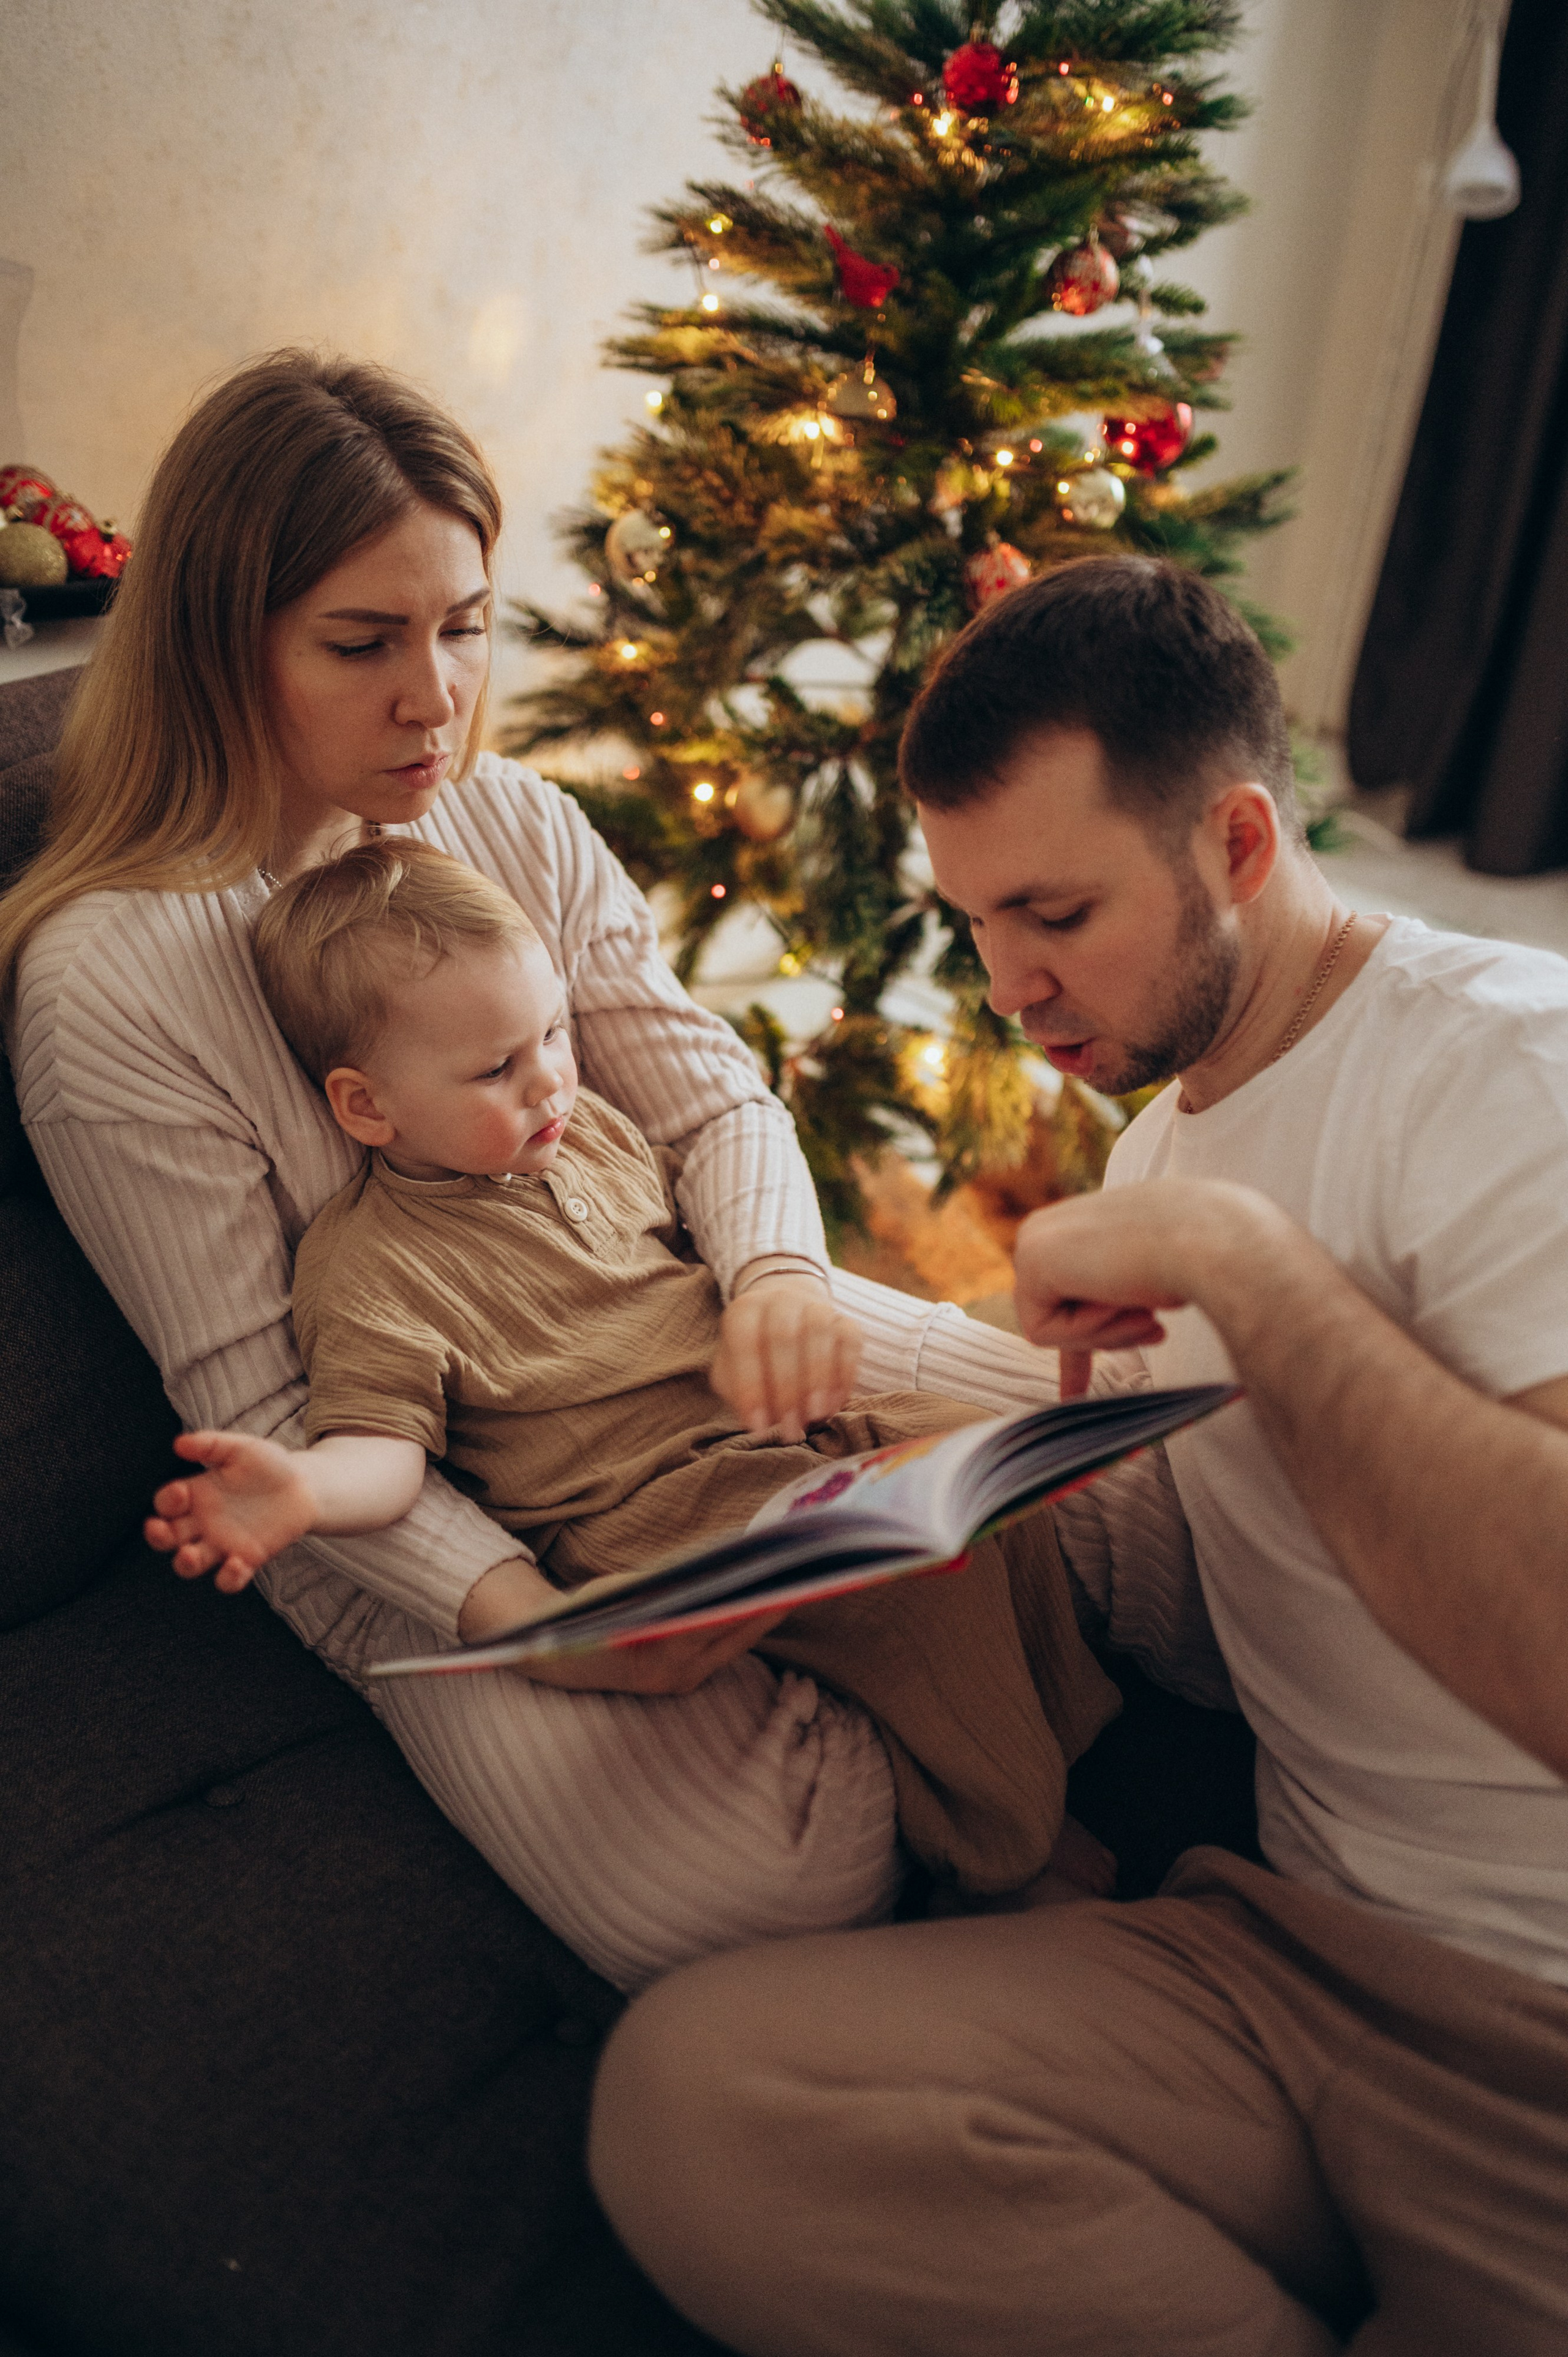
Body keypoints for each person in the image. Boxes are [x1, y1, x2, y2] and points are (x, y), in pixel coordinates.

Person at [0, 349, 1118, 1996]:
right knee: (759, 1886)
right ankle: (951, 1744)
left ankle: (939, 1710)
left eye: (463, 626)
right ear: (217, 647)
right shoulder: (108, 987)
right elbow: (279, 1428)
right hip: (442, 1503)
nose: (433, 699)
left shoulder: (508, 822)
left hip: (678, 1342)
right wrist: (535, 1623)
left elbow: (709, 1096)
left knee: (1122, 1482)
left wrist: (781, 1281)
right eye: (363, 644)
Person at [589, 557, 1568, 2353]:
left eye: (1054, 911)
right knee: (703, 2095)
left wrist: (1249, 1274)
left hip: (1540, 2027)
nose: (1009, 988)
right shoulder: (1153, 1167)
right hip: (1284, 1957)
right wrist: (848, 1555)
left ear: (1241, 845)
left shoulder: (1510, 1074)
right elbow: (1227, 1633)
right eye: (972, 922)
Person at [143, 834, 1116, 1901]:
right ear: (366, 1107)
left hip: (759, 1441)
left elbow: (697, 1207)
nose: (550, 1080)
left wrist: (775, 1302)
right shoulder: (369, 1267)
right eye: (494, 1069)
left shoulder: (587, 1131)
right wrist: (306, 1491)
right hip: (642, 1512)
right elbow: (383, 1452)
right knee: (920, 1582)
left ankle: (1068, 1752)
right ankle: (1004, 1855)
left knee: (984, 1452)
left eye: (552, 1034)